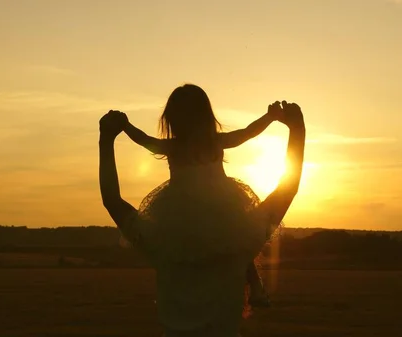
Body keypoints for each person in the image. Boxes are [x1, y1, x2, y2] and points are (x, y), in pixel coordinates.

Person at [99, 87, 306, 337]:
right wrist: (291, 127)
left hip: (178, 217)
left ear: (170, 120)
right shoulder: (238, 236)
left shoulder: (162, 240)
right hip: (225, 214)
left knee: (240, 240)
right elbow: (253, 142)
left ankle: (256, 283)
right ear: (208, 116)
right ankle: (256, 284)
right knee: (241, 242)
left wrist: (113, 134)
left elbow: (113, 198)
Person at [118, 84, 284, 307]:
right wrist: (270, 117)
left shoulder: (176, 146)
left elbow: (145, 140)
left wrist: (125, 126)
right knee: (238, 242)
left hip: (188, 208)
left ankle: (249, 288)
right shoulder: (207, 142)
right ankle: (254, 288)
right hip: (218, 204)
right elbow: (247, 133)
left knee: (211, 245)